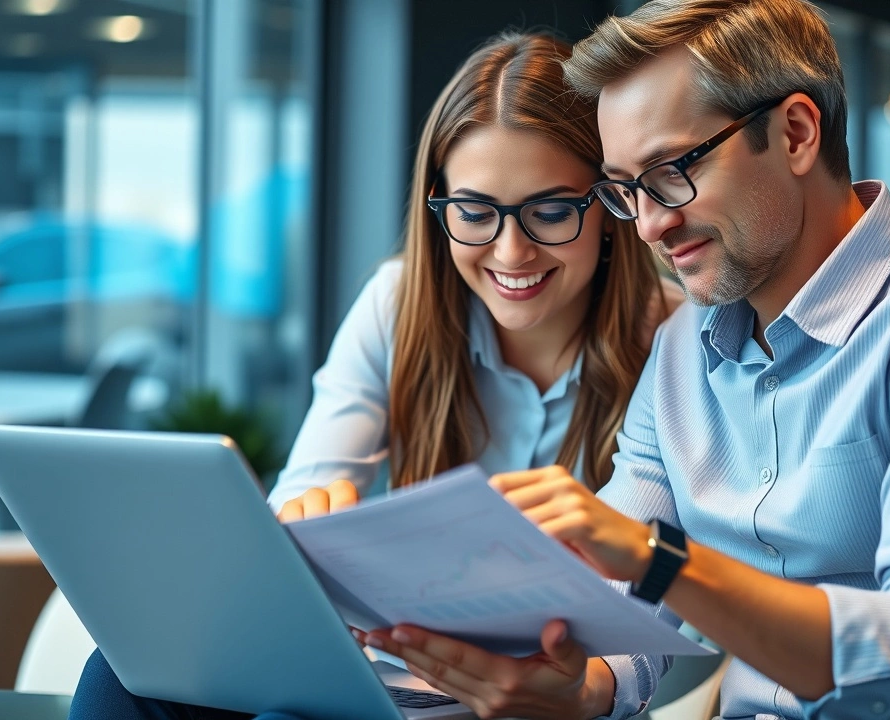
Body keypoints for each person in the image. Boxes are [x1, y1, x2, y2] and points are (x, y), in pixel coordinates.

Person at [359, 1, 890, 719]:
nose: (648, 224)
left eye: (672, 170)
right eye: (626, 190)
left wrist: (661, 560)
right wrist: (582, 685)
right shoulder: (683, 348)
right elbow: (618, 613)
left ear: (796, 132)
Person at [68, 31, 681, 720]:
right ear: (438, 207)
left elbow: (656, 597)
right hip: (403, 678)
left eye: (549, 211)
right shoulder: (399, 304)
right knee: (122, 676)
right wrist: (306, 527)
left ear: (610, 208)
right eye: (475, 213)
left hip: (545, 696)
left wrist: (587, 689)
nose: (511, 251)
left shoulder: (675, 342)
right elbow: (307, 488)